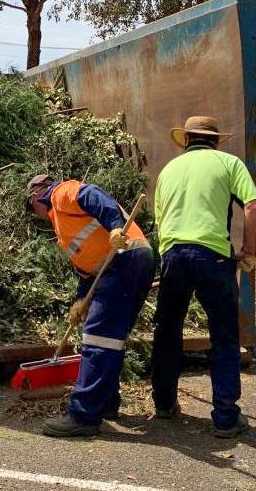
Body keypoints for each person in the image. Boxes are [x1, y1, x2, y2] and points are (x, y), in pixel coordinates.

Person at [151, 116, 256, 438]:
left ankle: (164, 403)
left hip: (173, 255)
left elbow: (162, 221)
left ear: (186, 139)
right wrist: (249, 250)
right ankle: (226, 418)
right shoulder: (228, 163)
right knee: (225, 335)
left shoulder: (168, 171)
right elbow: (253, 206)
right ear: (215, 141)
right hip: (213, 256)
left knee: (167, 331)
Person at [25, 174, 156, 437]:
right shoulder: (64, 227)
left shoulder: (60, 194)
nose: (35, 214)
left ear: (36, 196)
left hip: (123, 259)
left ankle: (83, 415)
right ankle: (106, 402)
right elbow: (88, 271)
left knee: (97, 340)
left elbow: (94, 195)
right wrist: (80, 301)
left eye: (31, 208)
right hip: (131, 262)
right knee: (111, 339)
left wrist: (116, 228)